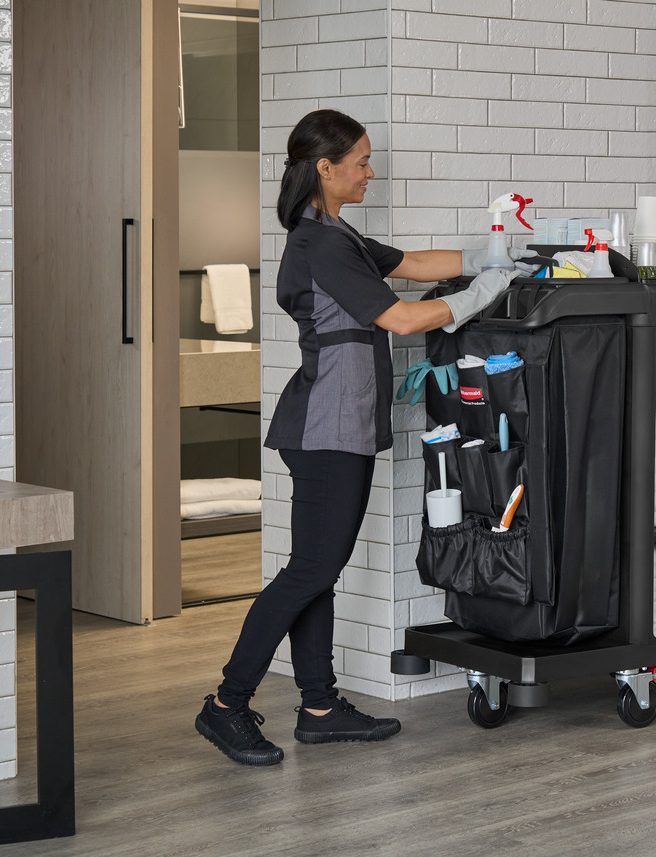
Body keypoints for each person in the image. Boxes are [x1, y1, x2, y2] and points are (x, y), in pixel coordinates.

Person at [195, 108, 536, 766]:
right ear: (325, 168)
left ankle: (319, 706)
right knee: (309, 571)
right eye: (360, 161)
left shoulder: (335, 234)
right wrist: (483, 292)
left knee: (319, 570)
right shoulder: (318, 242)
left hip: (337, 423)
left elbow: (409, 263)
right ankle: (226, 703)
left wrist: (493, 256)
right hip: (325, 425)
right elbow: (403, 318)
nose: (369, 171)